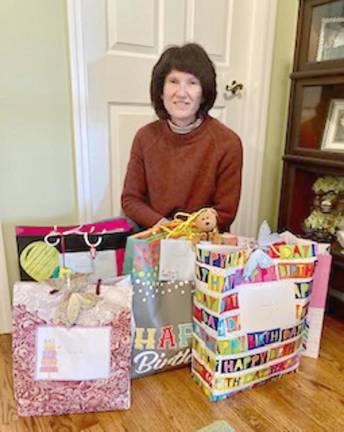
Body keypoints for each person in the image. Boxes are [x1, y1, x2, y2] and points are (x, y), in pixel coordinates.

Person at [121, 43, 243, 232]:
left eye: (192, 83)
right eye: (173, 81)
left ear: (203, 94)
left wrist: (186, 232)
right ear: (161, 91)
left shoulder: (228, 143)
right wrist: (166, 227)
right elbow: (131, 199)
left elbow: (225, 212)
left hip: (202, 241)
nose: (181, 93)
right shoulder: (145, 137)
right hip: (155, 235)